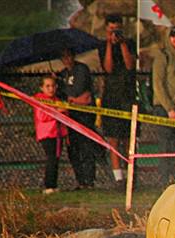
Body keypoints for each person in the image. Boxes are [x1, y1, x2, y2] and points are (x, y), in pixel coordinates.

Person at [99, 13, 136, 186]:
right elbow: (108, 68)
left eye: (117, 29)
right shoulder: (102, 46)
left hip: (126, 96)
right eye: (111, 29)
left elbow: (130, 65)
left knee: (128, 137)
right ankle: (118, 178)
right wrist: (109, 43)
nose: (114, 32)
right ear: (106, 28)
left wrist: (121, 44)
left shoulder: (129, 43)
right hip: (111, 97)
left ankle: (130, 174)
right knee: (113, 138)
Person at [152, 26, 175, 182]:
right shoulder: (163, 56)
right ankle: (163, 178)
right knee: (165, 146)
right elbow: (158, 85)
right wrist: (169, 108)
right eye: (173, 36)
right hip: (165, 109)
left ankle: (171, 178)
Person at [57, 47, 95, 190]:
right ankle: (80, 180)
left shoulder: (81, 69)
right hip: (70, 116)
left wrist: (72, 99)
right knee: (73, 149)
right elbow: (63, 95)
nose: (67, 60)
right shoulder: (62, 75)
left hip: (84, 116)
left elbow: (80, 91)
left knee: (86, 147)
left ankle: (89, 180)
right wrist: (71, 99)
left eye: (69, 56)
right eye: (63, 57)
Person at [33, 75, 68, 194]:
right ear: (41, 88)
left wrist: (63, 111)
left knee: (56, 158)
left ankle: (54, 184)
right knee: (51, 157)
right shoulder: (39, 100)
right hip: (47, 134)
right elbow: (42, 116)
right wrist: (56, 112)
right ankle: (48, 185)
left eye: (52, 86)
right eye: (47, 86)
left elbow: (64, 116)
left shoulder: (57, 100)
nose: (50, 89)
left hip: (58, 134)